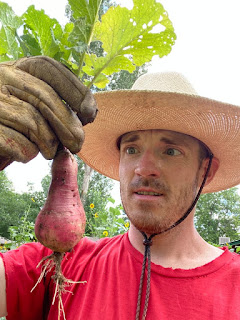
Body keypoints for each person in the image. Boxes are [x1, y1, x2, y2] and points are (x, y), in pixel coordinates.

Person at [0, 58, 240, 320]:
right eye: (132, 149)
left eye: (171, 151)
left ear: (207, 170)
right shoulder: (62, 263)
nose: (143, 168)